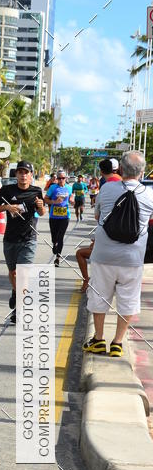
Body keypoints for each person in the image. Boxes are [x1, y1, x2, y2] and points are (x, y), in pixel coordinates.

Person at [84, 151, 153, 357]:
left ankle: (98, 340)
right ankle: (117, 343)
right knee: (128, 299)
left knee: (99, 296)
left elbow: (98, 216)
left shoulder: (107, 189)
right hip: (133, 258)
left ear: (121, 169)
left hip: (104, 255)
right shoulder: (149, 194)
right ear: (142, 171)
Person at [0, 161, 45, 324]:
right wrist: (7, 207)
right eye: (20, 172)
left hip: (29, 238)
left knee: (22, 274)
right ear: (16, 175)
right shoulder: (7, 191)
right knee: (13, 273)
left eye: (26, 172)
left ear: (31, 175)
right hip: (10, 239)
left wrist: (41, 206)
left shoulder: (36, 191)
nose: (23, 175)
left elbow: (41, 212)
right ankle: (15, 291)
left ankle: (19, 309)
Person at [45, 170, 74, 266]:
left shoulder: (69, 188)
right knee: (54, 237)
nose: (61, 180)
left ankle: (58, 258)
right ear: (56, 179)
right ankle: (54, 243)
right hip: (53, 216)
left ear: (66, 178)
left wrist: (72, 201)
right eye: (59, 178)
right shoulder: (53, 187)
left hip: (65, 217)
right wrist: (54, 202)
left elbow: (71, 198)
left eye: (63, 178)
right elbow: (45, 199)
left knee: (60, 237)